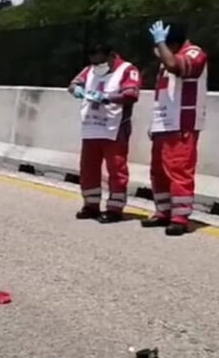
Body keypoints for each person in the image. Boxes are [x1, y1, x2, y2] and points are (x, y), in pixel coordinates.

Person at [143, 21, 208, 236]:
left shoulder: (194, 54)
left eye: (165, 44)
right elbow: (163, 94)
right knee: (158, 172)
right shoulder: (166, 57)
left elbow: (175, 66)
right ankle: (163, 211)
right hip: (163, 122)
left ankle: (180, 217)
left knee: (179, 170)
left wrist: (160, 43)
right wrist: (154, 122)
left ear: (173, 42)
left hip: (182, 123)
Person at [68, 43, 141, 223]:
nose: (97, 66)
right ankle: (91, 205)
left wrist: (107, 98)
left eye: (100, 62)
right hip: (92, 127)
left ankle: (115, 208)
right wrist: (75, 89)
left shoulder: (127, 70)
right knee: (88, 169)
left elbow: (132, 94)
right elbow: (73, 84)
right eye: (94, 62)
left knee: (116, 169)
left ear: (110, 56)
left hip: (115, 127)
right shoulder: (89, 70)